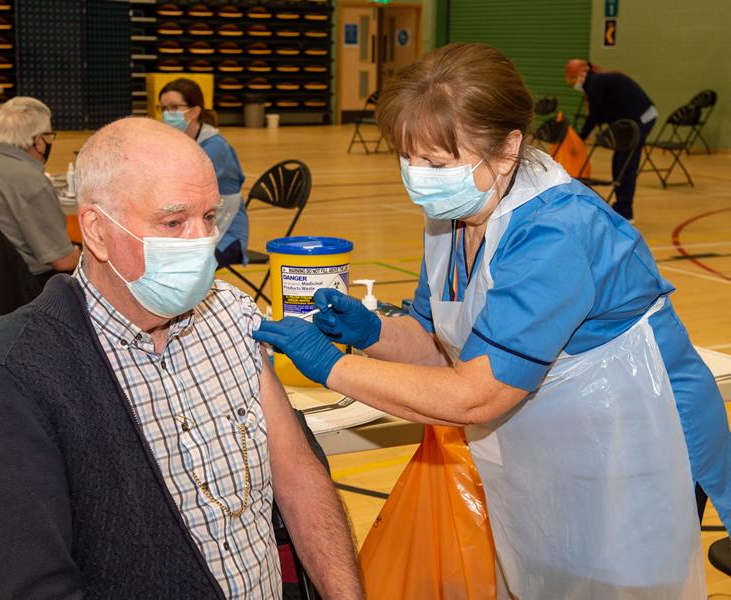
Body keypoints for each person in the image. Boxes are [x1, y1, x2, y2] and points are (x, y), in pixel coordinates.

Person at [254, 43, 731, 598]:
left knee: (607, 583)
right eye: (407, 159)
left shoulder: (557, 232)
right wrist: (374, 333)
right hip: (553, 433)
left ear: (508, 149)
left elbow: (476, 395)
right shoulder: (454, 216)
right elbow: (444, 345)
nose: (418, 178)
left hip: (634, 436)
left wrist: (332, 368)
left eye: (436, 164)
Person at [0, 117, 363, 599]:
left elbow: (298, 479)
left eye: (208, 218)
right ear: (98, 232)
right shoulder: (14, 376)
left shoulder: (231, 314)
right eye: (173, 222)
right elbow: (30, 583)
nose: (200, 241)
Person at [0, 96, 80, 286]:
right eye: (49, 136)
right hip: (27, 287)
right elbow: (63, 261)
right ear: (38, 141)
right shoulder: (32, 182)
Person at [158, 78, 249, 269]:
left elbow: (174, 189)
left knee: (173, 266)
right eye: (164, 108)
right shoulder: (179, 141)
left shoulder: (214, 147)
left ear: (195, 111)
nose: (168, 114)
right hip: (194, 223)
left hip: (226, 232)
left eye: (174, 107)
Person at [564, 59, 657, 221]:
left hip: (643, 118)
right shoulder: (596, 82)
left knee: (627, 163)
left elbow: (595, 116)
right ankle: (621, 206)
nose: (574, 85)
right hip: (629, 120)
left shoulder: (595, 84)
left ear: (580, 74)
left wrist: (580, 138)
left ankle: (626, 210)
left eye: (572, 80)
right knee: (619, 161)